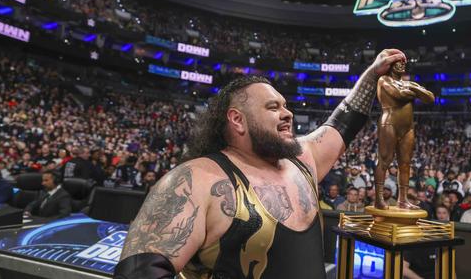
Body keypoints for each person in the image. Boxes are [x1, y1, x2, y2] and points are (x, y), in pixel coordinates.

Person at [115, 49, 406, 278]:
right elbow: (138, 273)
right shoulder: (197, 179)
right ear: (237, 120)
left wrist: (371, 75)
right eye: (273, 107)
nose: (287, 113)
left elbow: (343, 123)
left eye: (285, 105)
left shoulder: (302, 160)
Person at [375, 60, 434, 209]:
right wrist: (415, 90)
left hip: (408, 127)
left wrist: (413, 88)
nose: (402, 65)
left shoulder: (410, 84)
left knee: (405, 164)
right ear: (390, 65)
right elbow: (399, 95)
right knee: (384, 161)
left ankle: (403, 199)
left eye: (403, 63)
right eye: (398, 63)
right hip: (389, 123)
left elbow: (431, 98)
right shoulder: (383, 80)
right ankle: (379, 198)